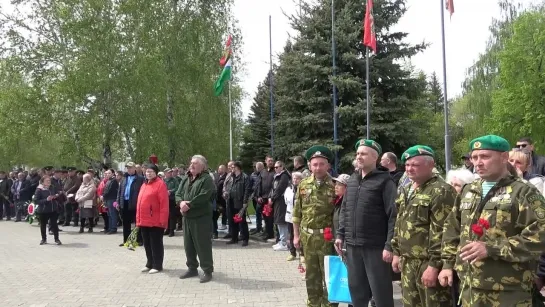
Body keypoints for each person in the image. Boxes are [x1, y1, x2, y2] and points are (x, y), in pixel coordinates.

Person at [440, 135, 545, 306]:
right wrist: (447, 264)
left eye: (485, 156)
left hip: (507, 290)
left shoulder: (524, 192)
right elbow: (452, 227)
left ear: (504, 157)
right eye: (474, 157)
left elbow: (540, 234)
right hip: (469, 287)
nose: (478, 162)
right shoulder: (469, 190)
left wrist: (492, 248)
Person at [390, 145, 456, 307]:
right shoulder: (406, 189)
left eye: (415, 165)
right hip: (408, 261)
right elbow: (399, 222)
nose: (409, 169)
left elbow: (443, 231)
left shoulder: (441, 191)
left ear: (430, 165)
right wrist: (397, 252)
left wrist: (434, 265)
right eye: (407, 165)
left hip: (427, 263)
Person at [335, 139, 396, 307]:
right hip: (353, 247)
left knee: (381, 293)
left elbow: (393, 215)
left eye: (363, 153)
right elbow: (345, 210)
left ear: (375, 157)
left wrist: (389, 245)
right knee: (356, 291)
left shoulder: (385, 181)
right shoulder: (353, 180)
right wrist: (340, 235)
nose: (359, 157)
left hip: (375, 248)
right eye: (357, 154)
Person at [292, 145, 336, 307]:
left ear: (328, 166)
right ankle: (313, 303)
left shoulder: (334, 186)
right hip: (307, 237)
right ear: (310, 166)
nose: (318, 167)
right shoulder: (303, 185)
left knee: (328, 274)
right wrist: (296, 236)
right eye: (315, 164)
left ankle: (329, 304)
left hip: (327, 237)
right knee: (311, 274)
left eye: (321, 164)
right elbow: (297, 213)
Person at [176, 155, 215, 283]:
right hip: (187, 217)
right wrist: (181, 202)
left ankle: (207, 270)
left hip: (201, 218)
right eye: (191, 162)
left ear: (202, 166)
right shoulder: (186, 178)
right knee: (188, 245)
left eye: (195, 163)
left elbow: (204, 195)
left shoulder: (206, 179)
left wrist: (189, 204)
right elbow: (178, 193)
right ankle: (192, 268)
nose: (191, 165)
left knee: (202, 244)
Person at [137, 164, 169, 274]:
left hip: (156, 221)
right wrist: (138, 219)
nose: (148, 173)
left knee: (156, 244)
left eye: (151, 171)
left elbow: (164, 204)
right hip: (144, 220)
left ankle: (157, 265)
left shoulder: (160, 184)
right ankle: (149, 263)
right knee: (147, 243)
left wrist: (163, 221)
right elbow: (139, 203)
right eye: (147, 172)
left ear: (155, 172)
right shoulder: (144, 185)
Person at [117, 162, 145, 246]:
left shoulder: (140, 179)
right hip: (124, 203)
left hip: (135, 203)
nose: (129, 169)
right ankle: (126, 240)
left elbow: (143, 192)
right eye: (127, 168)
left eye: (130, 167)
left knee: (138, 223)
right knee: (125, 223)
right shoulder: (124, 178)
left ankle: (139, 240)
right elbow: (120, 191)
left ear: (134, 168)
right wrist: (118, 202)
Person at [225, 161, 252, 247]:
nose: (231, 169)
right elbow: (227, 186)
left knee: (241, 221)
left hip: (239, 201)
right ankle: (234, 238)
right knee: (232, 221)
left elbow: (247, 190)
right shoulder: (231, 176)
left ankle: (245, 239)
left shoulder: (244, 177)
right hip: (231, 201)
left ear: (237, 167)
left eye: (233, 167)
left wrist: (244, 202)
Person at [34, 176, 61, 245]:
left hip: (53, 209)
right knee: (43, 225)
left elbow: (56, 193)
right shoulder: (39, 189)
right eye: (47, 181)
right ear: (43, 182)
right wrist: (46, 200)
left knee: (54, 224)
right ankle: (44, 239)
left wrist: (56, 195)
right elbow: (36, 201)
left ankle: (57, 239)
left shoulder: (52, 187)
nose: (49, 182)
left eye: (49, 180)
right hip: (43, 210)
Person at [270, 161, 291, 251]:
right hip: (277, 201)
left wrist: (273, 198)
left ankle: (284, 242)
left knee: (282, 221)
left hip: (282, 201)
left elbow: (280, 188)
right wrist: (270, 197)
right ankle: (281, 240)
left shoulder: (284, 176)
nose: (275, 168)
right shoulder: (277, 176)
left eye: (277, 167)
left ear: (282, 167)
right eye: (275, 167)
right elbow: (273, 188)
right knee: (278, 221)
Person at [102, 169, 119, 234]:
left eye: (109, 173)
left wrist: (103, 195)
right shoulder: (109, 180)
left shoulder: (114, 181)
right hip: (107, 199)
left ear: (113, 174)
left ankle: (113, 228)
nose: (107, 174)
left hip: (112, 199)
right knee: (109, 214)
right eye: (107, 173)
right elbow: (105, 189)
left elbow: (109, 190)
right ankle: (110, 227)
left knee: (113, 214)